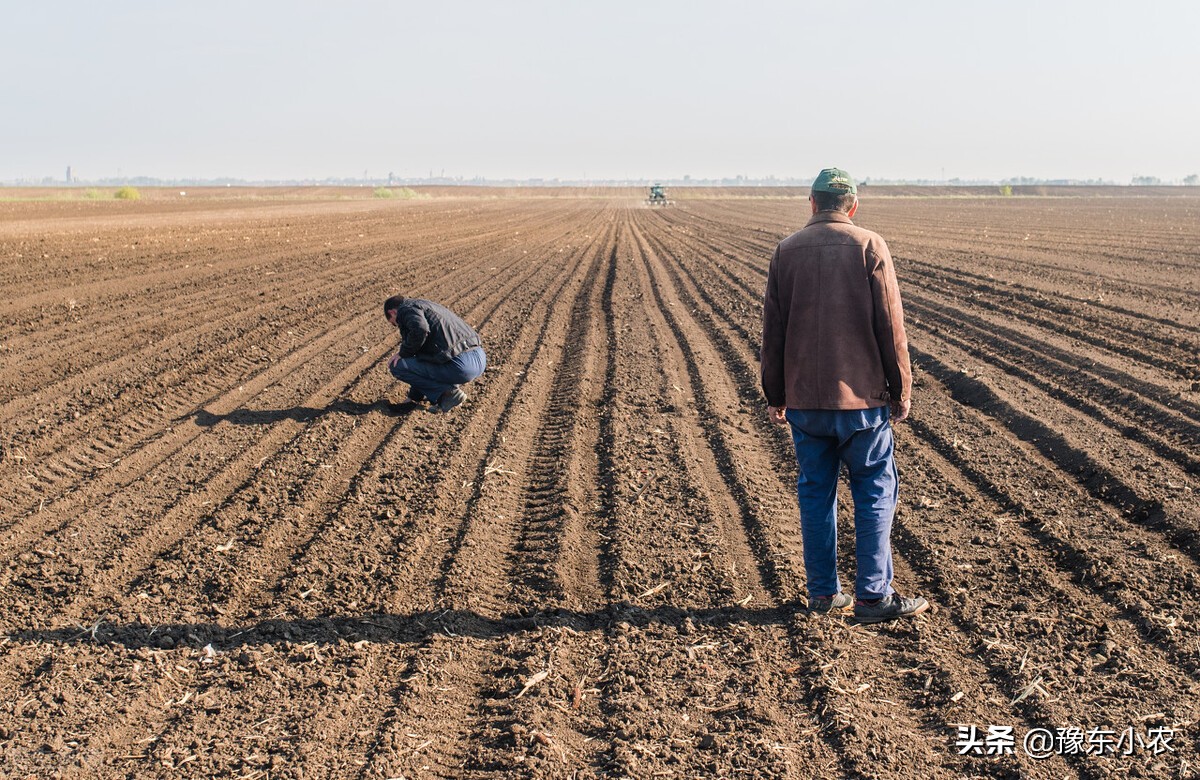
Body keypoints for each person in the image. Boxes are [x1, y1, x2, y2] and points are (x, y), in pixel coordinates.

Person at [760, 168, 929, 623]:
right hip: (862, 401)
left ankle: (822, 595)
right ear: (852, 206)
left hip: (805, 403)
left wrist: (775, 392)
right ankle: (873, 597)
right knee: (875, 489)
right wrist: (901, 388)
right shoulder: (869, 245)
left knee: (815, 492)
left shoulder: (786, 251)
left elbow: (773, 330)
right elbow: (890, 327)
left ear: (811, 204)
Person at [383, 295, 486, 412]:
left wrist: (403, 353)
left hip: (461, 366)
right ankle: (445, 391)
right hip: (479, 358)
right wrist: (413, 397)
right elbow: (421, 361)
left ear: (392, 312)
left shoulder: (405, 310)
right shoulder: (426, 305)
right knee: (425, 361)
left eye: (394, 323)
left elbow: (420, 329)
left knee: (397, 366)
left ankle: (448, 394)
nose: (398, 326)